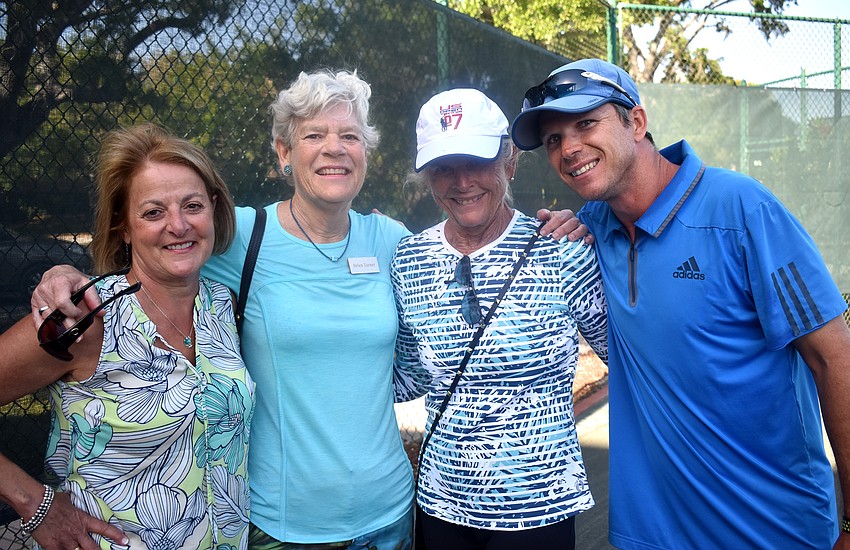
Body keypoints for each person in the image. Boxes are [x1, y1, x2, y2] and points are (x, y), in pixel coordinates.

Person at [30, 70, 588, 549]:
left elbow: (466, 257)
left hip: (394, 512)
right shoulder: (239, 237)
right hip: (284, 522)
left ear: (365, 152)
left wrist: (561, 227)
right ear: (283, 152)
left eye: (349, 134)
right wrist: (63, 276)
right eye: (314, 134)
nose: (334, 147)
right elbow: (153, 251)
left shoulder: (396, 243)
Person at [510, 57, 850, 548]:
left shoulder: (741, 208)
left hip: (773, 530)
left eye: (586, 123)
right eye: (554, 140)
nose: (569, 148)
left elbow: (834, 355)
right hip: (649, 534)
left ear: (637, 122)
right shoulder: (589, 230)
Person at [0, 123, 255, 549]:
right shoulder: (85, 316)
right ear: (124, 227)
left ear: (213, 208)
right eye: (153, 212)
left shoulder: (223, 306)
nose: (178, 225)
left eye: (192, 205)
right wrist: (34, 504)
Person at [391, 88, 608, 549]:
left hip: (540, 509)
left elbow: (624, 353)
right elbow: (407, 379)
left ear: (509, 161)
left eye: (477, 161)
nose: (462, 181)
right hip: (441, 504)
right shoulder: (408, 259)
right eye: (443, 167)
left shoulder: (563, 249)